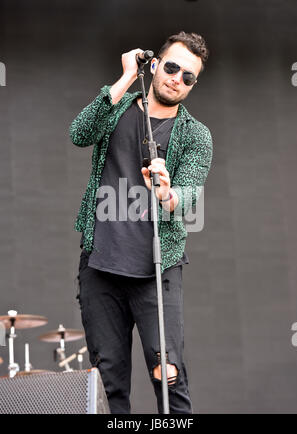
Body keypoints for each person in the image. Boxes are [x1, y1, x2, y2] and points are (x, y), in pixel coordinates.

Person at [69, 31, 213, 414]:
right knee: (109, 384)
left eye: (188, 77)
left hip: (156, 269)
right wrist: (125, 78)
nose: (177, 79)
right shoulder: (117, 108)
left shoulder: (196, 135)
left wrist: (168, 194)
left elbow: (191, 194)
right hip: (100, 267)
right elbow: (79, 133)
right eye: (171, 68)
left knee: (169, 378)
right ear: (154, 65)